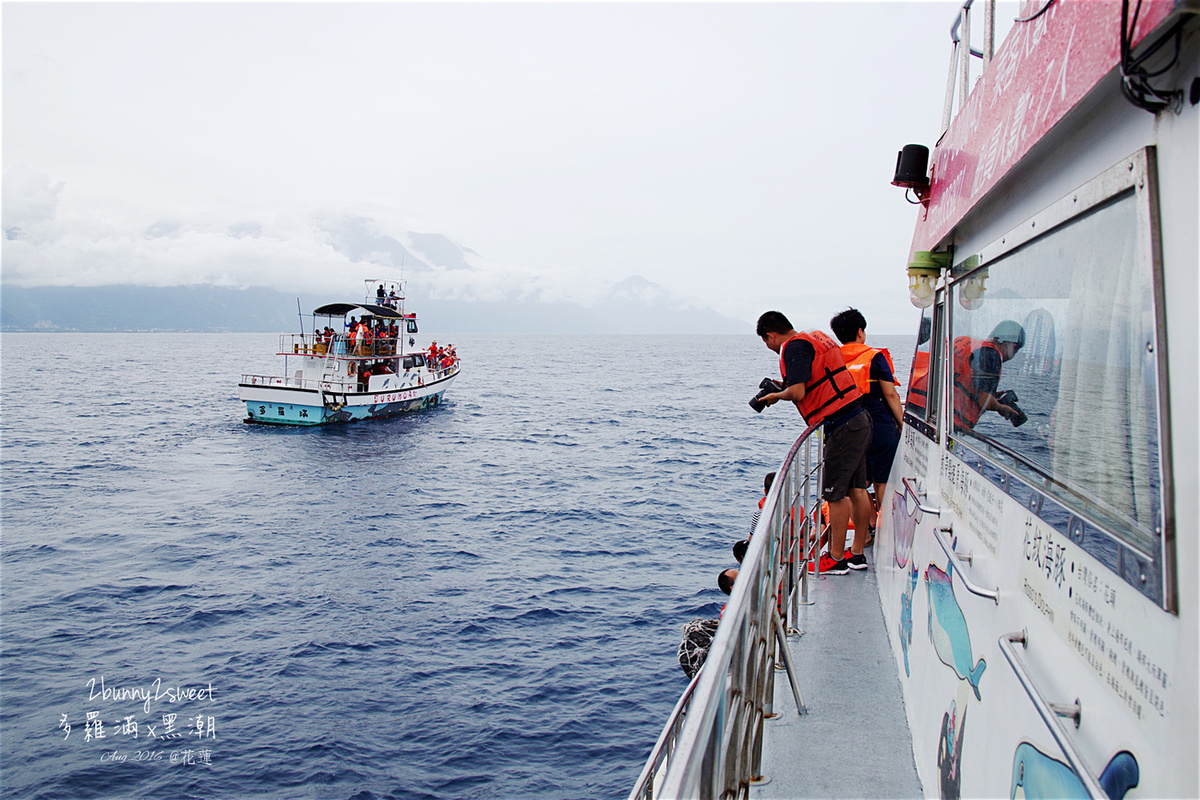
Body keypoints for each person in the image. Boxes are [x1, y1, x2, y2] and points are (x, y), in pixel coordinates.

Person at [755, 311, 872, 574]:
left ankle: (836, 558)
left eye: (766, 341)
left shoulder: (793, 348)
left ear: (770, 336)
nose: (769, 347)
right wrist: (781, 386)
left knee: (835, 493)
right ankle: (857, 554)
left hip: (841, 425)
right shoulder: (814, 338)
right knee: (857, 488)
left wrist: (776, 396)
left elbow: (798, 392)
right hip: (859, 418)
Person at [831, 308, 903, 534]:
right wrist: (901, 422)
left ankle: (869, 528)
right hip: (879, 426)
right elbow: (890, 394)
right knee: (882, 481)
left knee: (857, 487)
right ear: (860, 332)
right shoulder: (874, 357)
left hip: (849, 428)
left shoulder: (833, 359)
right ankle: (884, 530)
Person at [952, 320, 1025, 431]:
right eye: (1016, 350)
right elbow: (985, 402)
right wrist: (1000, 407)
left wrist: (993, 395)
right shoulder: (992, 355)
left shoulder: (970, 346)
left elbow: (962, 381)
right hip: (952, 422)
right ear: (1012, 344)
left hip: (932, 411)